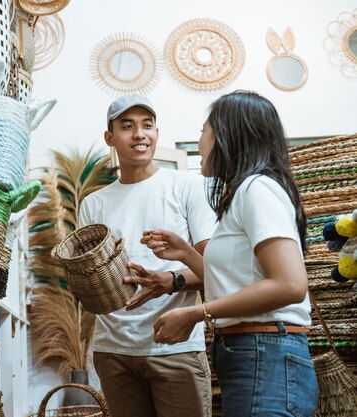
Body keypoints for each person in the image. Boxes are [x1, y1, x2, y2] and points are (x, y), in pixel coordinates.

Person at [145, 90, 318, 417]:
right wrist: (185, 254)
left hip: (264, 352)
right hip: (251, 352)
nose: (199, 143)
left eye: (203, 132)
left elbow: (290, 284)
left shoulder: (257, 189)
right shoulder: (243, 194)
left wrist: (197, 313)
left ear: (227, 136)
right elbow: (236, 286)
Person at [78, 93, 217, 417]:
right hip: (112, 350)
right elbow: (88, 276)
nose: (139, 134)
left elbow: (216, 269)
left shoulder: (187, 186)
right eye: (127, 126)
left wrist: (172, 280)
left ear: (156, 132)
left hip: (175, 346)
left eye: (147, 125)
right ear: (110, 138)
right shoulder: (93, 204)